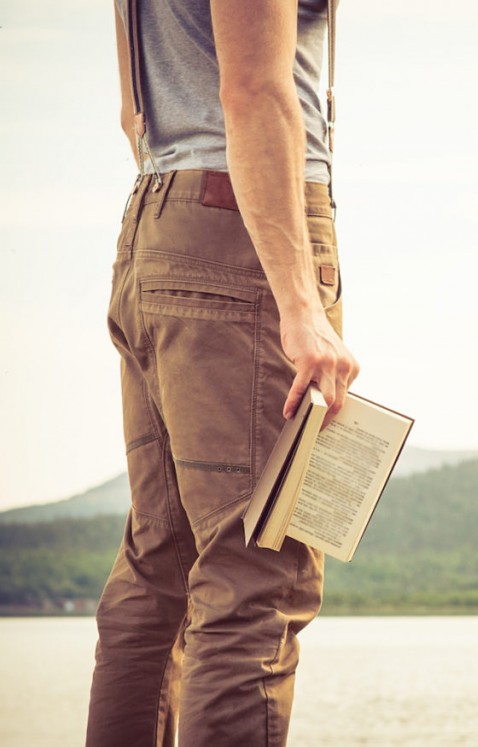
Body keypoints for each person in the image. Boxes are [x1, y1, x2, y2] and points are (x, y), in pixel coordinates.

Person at [86, 1, 358, 744]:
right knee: (256, 576)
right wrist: (299, 301)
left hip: (159, 207)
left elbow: (131, 113)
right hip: (240, 217)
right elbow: (255, 91)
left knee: (159, 569)